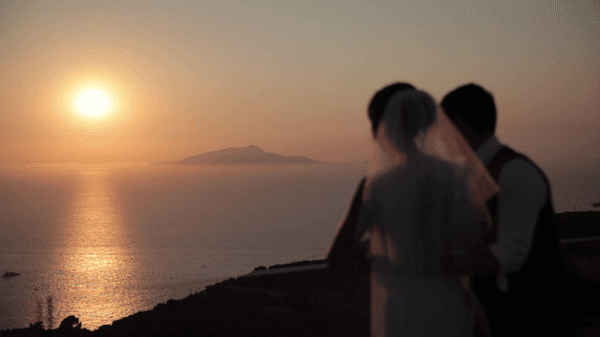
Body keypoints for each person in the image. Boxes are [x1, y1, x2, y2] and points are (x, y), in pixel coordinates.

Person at [356, 89, 490, 337]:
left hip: (401, 301)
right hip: (447, 295)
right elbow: (473, 236)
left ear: (389, 128)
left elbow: (358, 241)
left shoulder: (380, 185)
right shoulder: (455, 176)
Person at [441, 83, 572, 336]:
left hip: (529, 314)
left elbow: (510, 255)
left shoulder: (515, 172)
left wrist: (435, 262)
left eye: (443, 126)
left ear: (458, 124)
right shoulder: (469, 174)